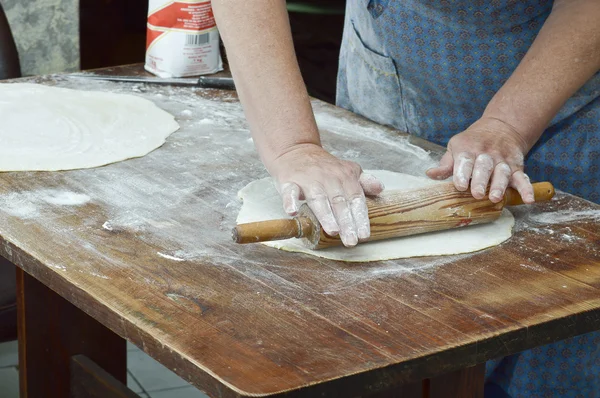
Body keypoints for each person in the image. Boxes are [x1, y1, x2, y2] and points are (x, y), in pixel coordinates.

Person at [211, 0, 600, 396]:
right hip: (387, 67)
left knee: (540, 334)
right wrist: (293, 146)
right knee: (373, 340)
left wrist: (509, 124)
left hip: (553, 91)